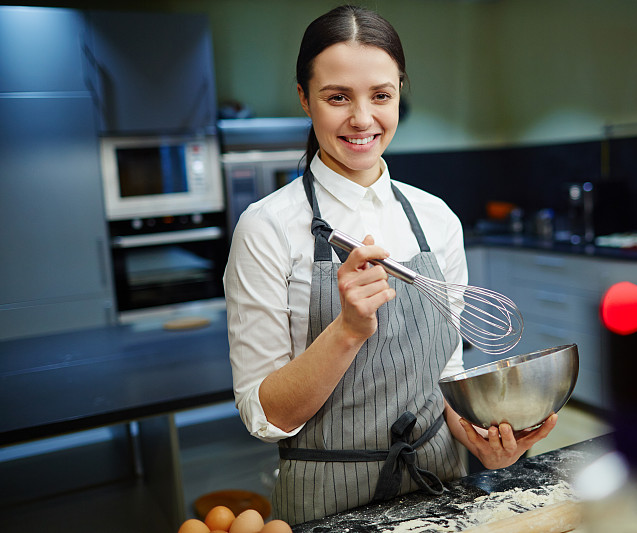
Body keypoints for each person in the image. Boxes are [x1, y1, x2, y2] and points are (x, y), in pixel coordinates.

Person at [224, 5, 557, 525]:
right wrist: (348, 330)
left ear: (399, 92)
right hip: (327, 504)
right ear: (304, 99)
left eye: (381, 95)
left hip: (440, 488)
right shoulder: (266, 228)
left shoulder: (436, 218)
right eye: (338, 97)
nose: (362, 119)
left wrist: (483, 442)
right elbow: (265, 416)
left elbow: (445, 371)